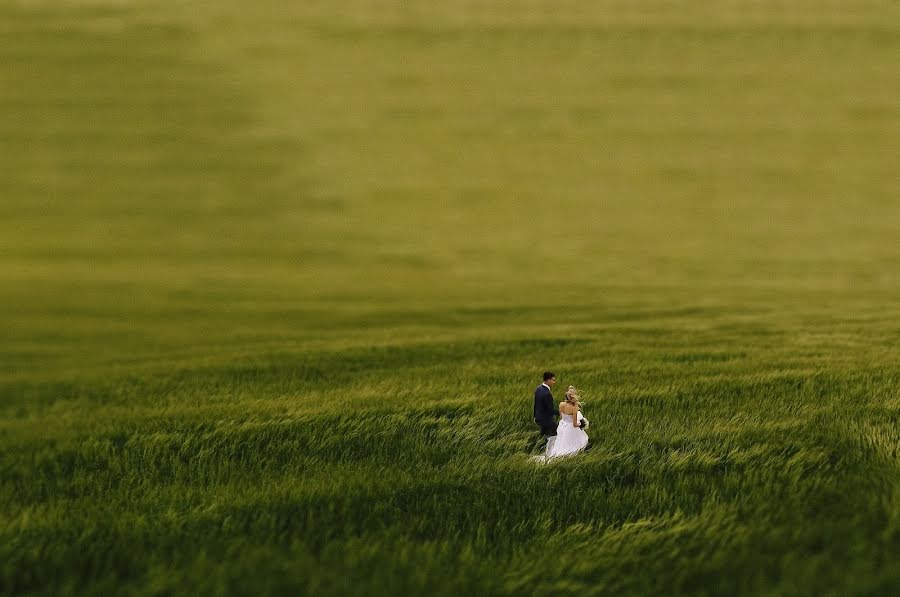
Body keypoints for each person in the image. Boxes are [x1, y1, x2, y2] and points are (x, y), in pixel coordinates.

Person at [543, 385, 589, 459]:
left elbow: (561, 417)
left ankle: (559, 454)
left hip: (562, 425)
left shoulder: (561, 404)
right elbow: (574, 424)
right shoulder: (574, 408)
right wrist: (581, 424)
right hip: (570, 428)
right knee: (579, 440)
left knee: (562, 441)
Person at [533, 371, 558, 453]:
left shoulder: (538, 389)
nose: (554, 382)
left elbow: (536, 405)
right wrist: (561, 412)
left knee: (543, 436)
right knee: (554, 435)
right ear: (548, 380)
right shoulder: (547, 393)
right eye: (553, 380)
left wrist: (535, 416)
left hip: (539, 418)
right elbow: (550, 410)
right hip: (546, 420)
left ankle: (538, 450)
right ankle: (549, 453)